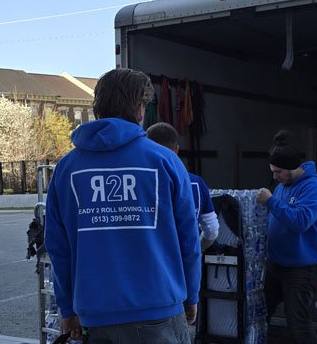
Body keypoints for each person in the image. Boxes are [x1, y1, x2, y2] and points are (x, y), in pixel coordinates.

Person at [44, 68, 201, 344]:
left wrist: (67, 308)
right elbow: (188, 238)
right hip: (159, 311)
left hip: (97, 316)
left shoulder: (67, 169)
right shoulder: (164, 160)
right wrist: (191, 294)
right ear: (139, 109)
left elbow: (59, 248)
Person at [255, 130, 317, 344]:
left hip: (300, 269)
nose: (275, 177)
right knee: (259, 314)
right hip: (275, 264)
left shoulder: (313, 188)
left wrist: (271, 202)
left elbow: (301, 222)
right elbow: (274, 220)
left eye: (278, 172)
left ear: (292, 167)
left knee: (298, 322)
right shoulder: (281, 188)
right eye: (273, 172)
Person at [146, 122, 219, 251]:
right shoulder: (196, 183)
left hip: (153, 262)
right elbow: (212, 231)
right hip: (185, 265)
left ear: (146, 149)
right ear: (176, 150)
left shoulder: (141, 182)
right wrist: (195, 250)